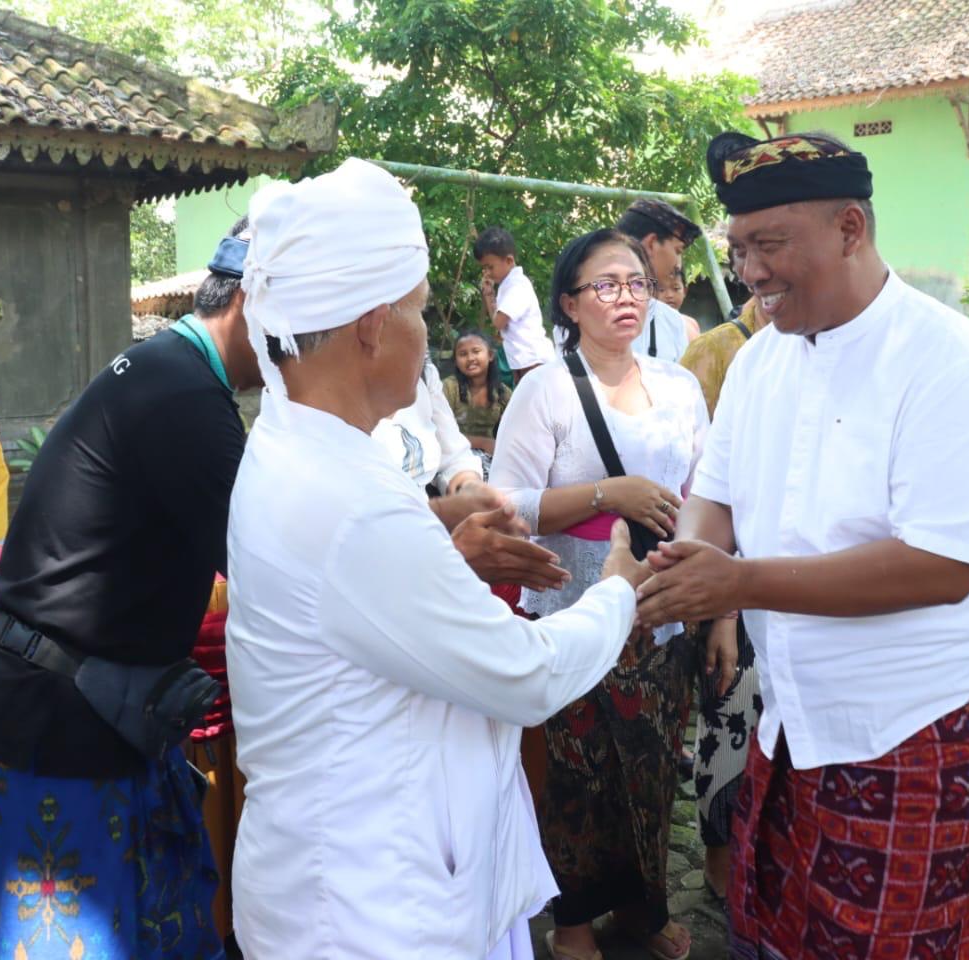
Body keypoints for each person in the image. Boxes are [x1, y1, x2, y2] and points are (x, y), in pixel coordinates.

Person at [225, 158, 649, 959]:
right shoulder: (351, 500)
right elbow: (524, 675)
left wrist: (443, 540)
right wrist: (618, 592)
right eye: (420, 310)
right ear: (373, 326)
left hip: (346, 873)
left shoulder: (292, 444)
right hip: (376, 909)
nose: (429, 336)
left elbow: (355, 600)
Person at [636, 130, 969, 959]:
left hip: (919, 714)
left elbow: (941, 566)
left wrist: (735, 584)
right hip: (796, 709)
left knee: (894, 940)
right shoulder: (760, 362)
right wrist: (682, 568)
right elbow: (714, 496)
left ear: (850, 228)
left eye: (770, 244)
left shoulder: (949, 359)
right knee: (780, 927)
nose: (750, 272)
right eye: (739, 249)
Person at [0, 222, 265, 959]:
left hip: (98, 715)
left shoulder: (168, 371)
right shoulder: (185, 396)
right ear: (252, 301)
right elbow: (275, 567)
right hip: (52, 732)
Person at [490, 227, 708, 960]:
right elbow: (508, 505)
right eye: (607, 284)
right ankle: (574, 923)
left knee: (651, 771)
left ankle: (643, 910)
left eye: (638, 282)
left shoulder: (678, 386)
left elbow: (706, 494)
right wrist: (608, 494)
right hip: (574, 613)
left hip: (661, 614)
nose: (627, 297)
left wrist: (714, 605)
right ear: (569, 303)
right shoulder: (546, 389)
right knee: (577, 778)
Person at [674, 285, 764, 903]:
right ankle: (721, 860)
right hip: (729, 572)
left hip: (803, 588)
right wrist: (722, 607)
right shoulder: (721, 353)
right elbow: (706, 484)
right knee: (729, 718)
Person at [615, 199, 701, 363]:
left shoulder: (673, 323)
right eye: (678, 251)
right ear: (651, 244)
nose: (679, 264)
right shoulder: (590, 311)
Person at [477, 225, 554, 382]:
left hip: (533, 359)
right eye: (484, 268)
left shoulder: (517, 286)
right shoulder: (507, 285)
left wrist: (489, 297)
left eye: (490, 267)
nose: (487, 273)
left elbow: (498, 322)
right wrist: (489, 294)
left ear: (509, 260)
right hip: (522, 360)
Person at [444, 329, 513, 479]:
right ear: (456, 360)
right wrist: (483, 443)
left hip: (490, 457)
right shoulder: (449, 388)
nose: (470, 358)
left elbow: (517, 429)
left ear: (490, 355)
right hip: (454, 457)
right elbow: (440, 434)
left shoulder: (502, 393)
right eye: (463, 354)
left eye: (476, 351)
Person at [659, 268, 700, 341]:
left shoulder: (692, 323)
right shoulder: (646, 327)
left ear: (685, 291)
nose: (669, 295)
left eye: (676, 288)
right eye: (661, 290)